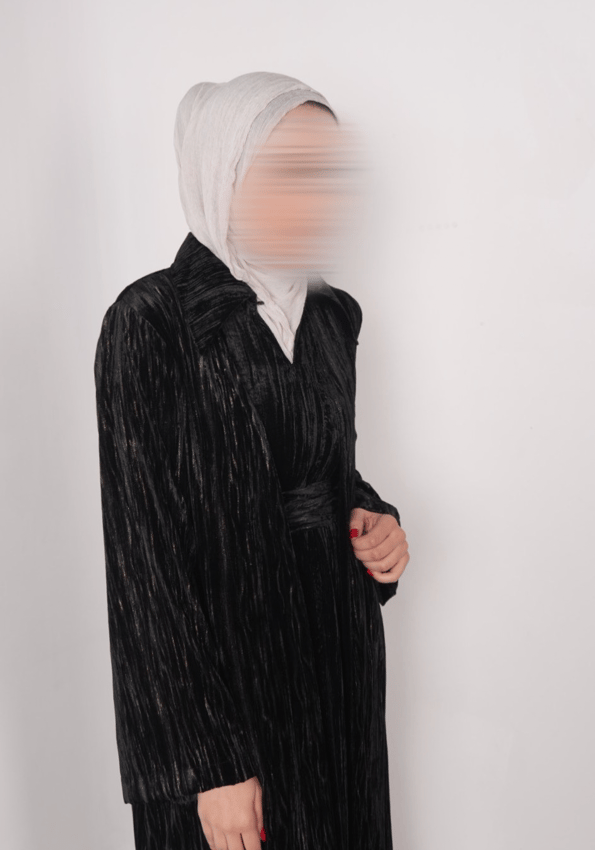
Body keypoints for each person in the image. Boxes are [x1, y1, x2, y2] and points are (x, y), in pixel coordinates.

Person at [94, 71, 410, 850]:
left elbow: (327, 471)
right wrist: (209, 765)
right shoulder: (151, 322)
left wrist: (376, 523)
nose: (320, 197)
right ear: (223, 172)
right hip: (227, 696)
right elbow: (145, 562)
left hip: (338, 671)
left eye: (328, 174)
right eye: (291, 172)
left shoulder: (333, 316)